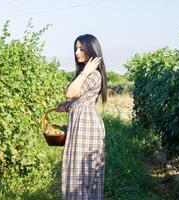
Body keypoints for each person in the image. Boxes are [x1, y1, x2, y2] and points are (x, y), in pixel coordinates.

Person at [56, 34, 107, 199]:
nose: (77, 52)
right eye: (76, 48)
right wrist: (68, 106)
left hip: (86, 128)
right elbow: (79, 99)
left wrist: (85, 71)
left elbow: (71, 92)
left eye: (82, 49)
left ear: (92, 51)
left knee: (80, 174)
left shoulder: (93, 74)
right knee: (78, 172)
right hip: (82, 125)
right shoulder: (87, 73)